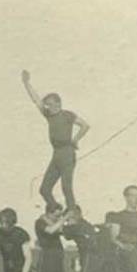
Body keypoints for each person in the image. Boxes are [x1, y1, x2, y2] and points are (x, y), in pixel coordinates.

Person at [21, 69, 91, 211]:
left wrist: (75, 139)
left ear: (58, 103)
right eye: (47, 105)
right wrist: (26, 83)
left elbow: (85, 125)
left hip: (67, 153)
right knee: (44, 189)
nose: (47, 107)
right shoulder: (49, 115)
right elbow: (36, 101)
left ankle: (71, 213)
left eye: (50, 104)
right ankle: (56, 211)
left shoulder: (67, 115)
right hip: (56, 153)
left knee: (66, 187)